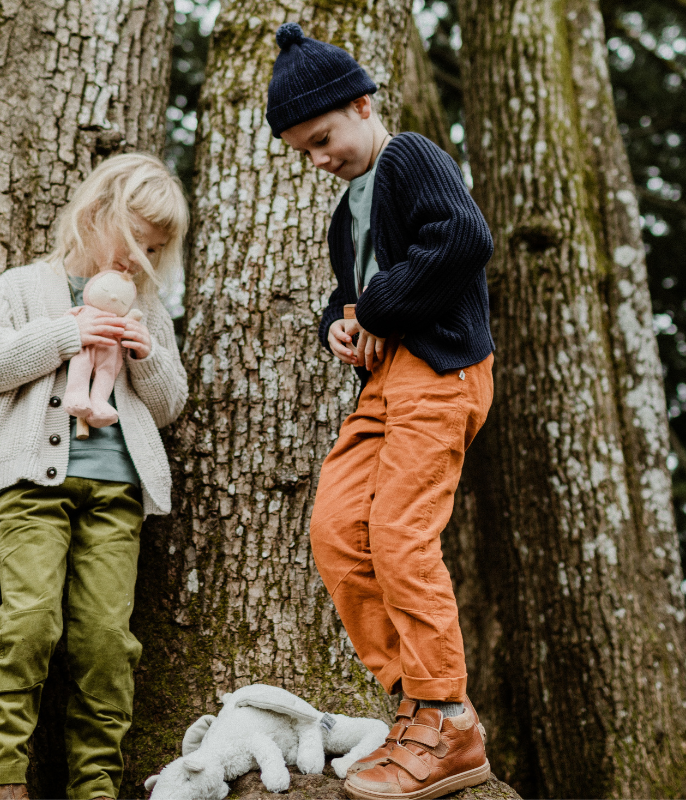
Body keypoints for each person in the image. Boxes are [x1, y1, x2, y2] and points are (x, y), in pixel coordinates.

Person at [267, 22, 496, 800]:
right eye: (304, 151)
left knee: (400, 535)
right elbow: (354, 295)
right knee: (337, 533)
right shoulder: (345, 212)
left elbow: (463, 238)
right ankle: (417, 704)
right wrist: (342, 322)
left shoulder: (409, 156)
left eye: (324, 138)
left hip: (439, 370)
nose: (319, 159)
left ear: (364, 105)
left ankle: (448, 717)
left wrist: (376, 309)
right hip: (384, 383)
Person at [0, 153, 189, 800]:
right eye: (135, 238)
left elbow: (169, 406)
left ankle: (96, 786)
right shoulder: (24, 287)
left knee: (107, 641)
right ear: (96, 214)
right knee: (30, 623)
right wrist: (65, 333)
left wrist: (144, 357)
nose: (140, 258)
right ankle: (4, 779)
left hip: (117, 493)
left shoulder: (147, 309)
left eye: (155, 249)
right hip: (32, 488)